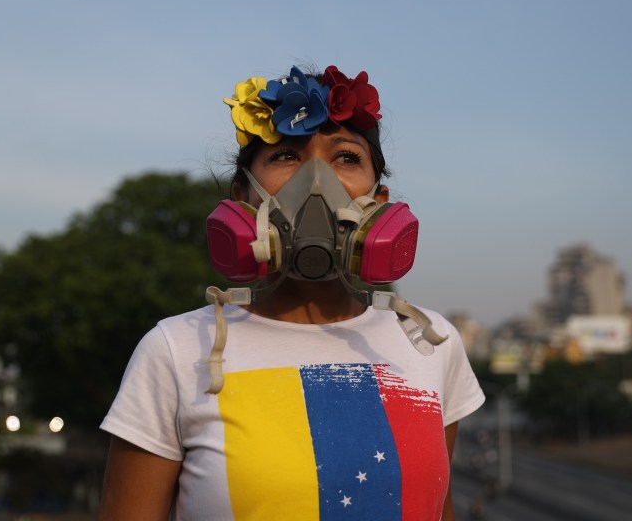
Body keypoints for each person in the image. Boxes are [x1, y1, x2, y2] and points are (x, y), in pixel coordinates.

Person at [99, 65, 485, 520]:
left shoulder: (429, 342)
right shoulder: (176, 351)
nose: (318, 181)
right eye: (286, 155)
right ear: (244, 197)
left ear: (379, 203)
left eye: (346, 158)